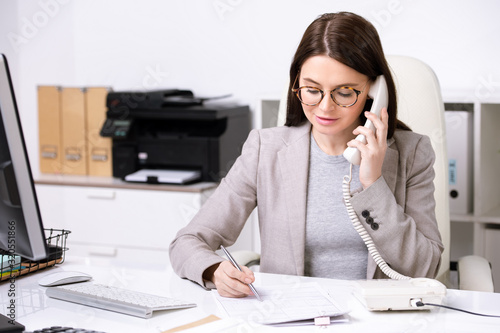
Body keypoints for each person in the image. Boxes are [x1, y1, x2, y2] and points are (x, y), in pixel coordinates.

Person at [169, 11, 443, 299]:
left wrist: (373, 184)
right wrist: (213, 270)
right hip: (291, 318)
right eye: (312, 90)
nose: (325, 107)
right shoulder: (266, 150)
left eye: (345, 92)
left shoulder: (413, 153)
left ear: (375, 90)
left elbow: (425, 268)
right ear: (296, 84)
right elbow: (186, 242)